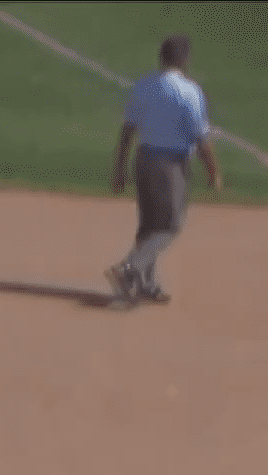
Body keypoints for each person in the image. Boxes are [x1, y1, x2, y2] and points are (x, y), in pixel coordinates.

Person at [107, 34, 222, 306]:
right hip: (171, 165)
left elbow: (128, 130)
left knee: (148, 225)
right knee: (170, 226)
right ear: (184, 60)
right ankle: (129, 268)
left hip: (144, 159)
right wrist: (213, 172)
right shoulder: (189, 91)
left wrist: (120, 168)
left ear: (162, 57)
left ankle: (145, 284)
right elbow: (201, 138)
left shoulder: (143, 86)